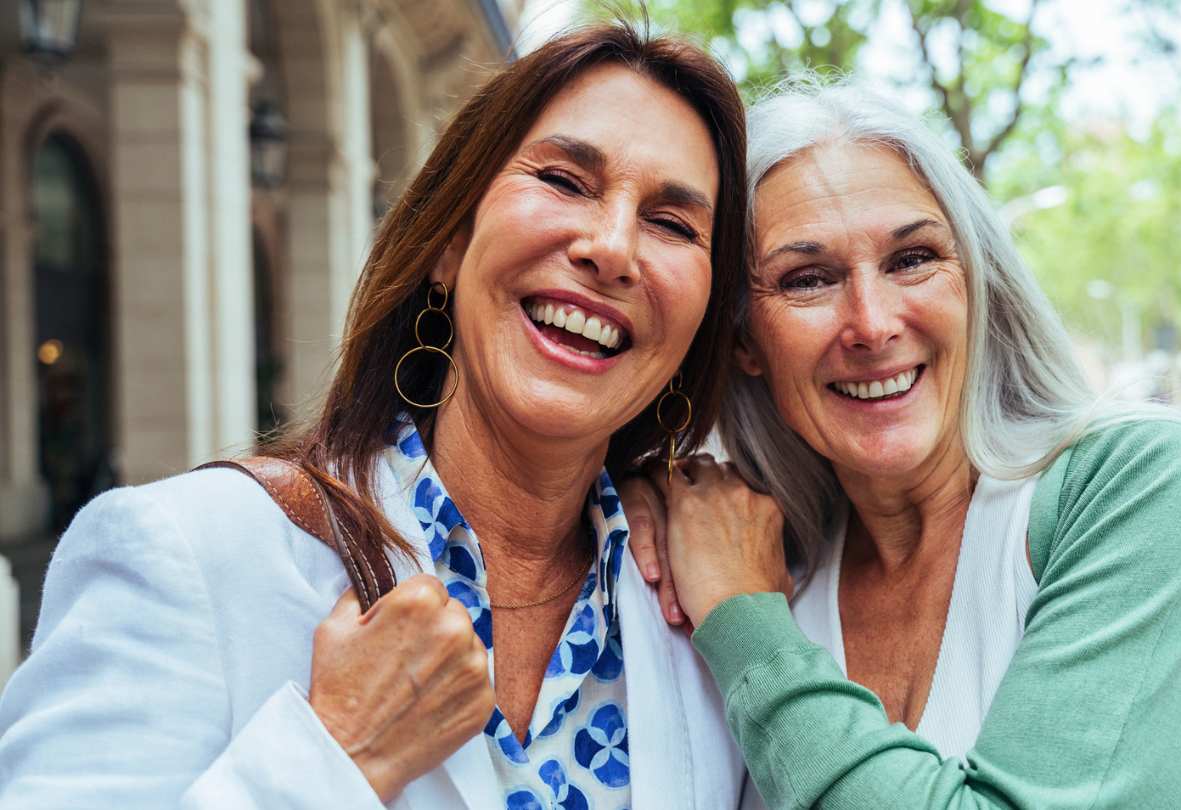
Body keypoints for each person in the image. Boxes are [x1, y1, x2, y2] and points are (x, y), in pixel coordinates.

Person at [0, 24, 750, 810]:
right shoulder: (182, 551)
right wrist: (336, 756)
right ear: (449, 244)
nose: (612, 247)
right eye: (564, 180)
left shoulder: (704, 614)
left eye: (672, 225)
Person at [625, 78, 1181, 809]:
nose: (873, 322)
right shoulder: (769, 550)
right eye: (808, 278)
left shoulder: (1140, 479)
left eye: (912, 259)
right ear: (743, 343)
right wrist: (640, 493)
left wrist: (743, 618)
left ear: (973, 281)